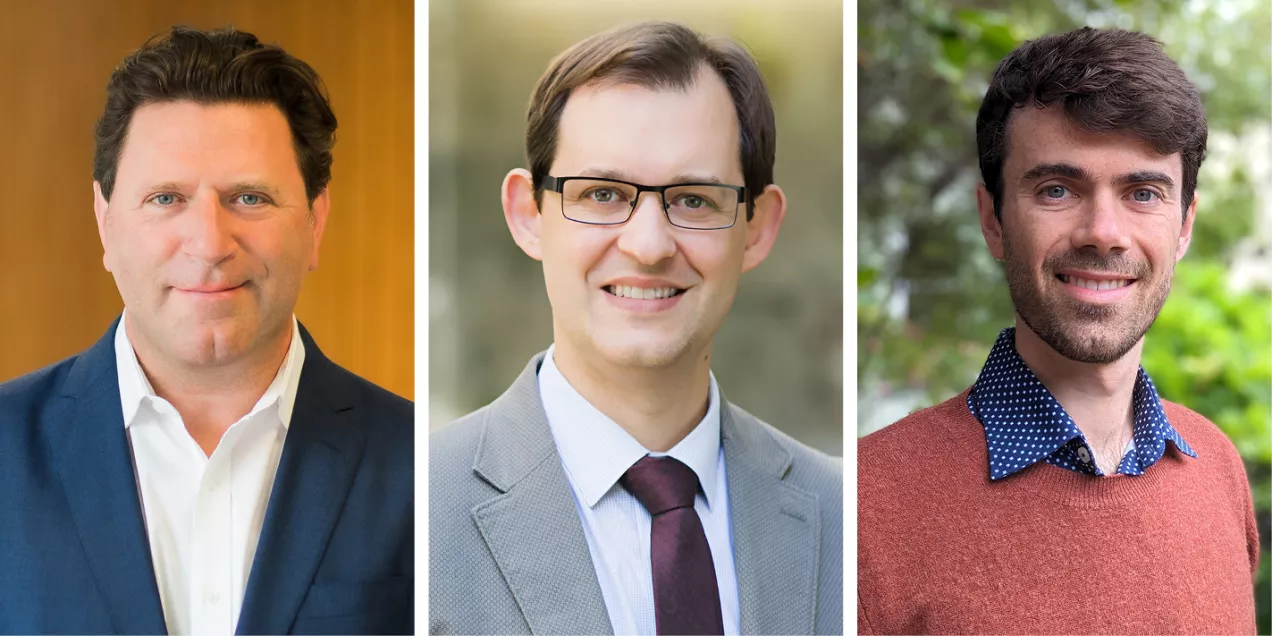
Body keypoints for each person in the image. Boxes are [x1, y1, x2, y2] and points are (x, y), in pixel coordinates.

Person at [429, 20, 842, 636]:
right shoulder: (421, 506)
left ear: (756, 228)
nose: (648, 246)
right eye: (601, 194)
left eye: (694, 200)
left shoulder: (843, 514)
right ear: (528, 216)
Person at [0, 26, 412, 634]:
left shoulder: (414, 465)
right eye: (166, 198)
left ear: (316, 223)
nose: (210, 244)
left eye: (249, 197)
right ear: (105, 222)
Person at [858, 27, 1259, 634]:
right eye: (1057, 189)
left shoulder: (1218, 472)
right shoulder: (867, 506)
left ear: (1184, 226)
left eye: (1143, 193)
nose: (1103, 231)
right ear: (993, 221)